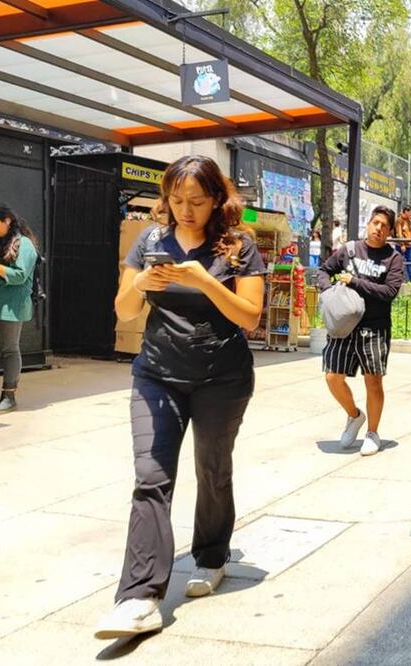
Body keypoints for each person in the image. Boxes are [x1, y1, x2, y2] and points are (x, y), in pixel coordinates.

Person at [95, 156, 267, 639]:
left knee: (212, 471)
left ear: (216, 199)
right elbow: (124, 311)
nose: (185, 210)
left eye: (196, 201)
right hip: (157, 376)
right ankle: (138, 598)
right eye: (176, 200)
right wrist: (142, 285)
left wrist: (204, 280)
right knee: (151, 477)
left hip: (222, 379)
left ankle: (211, 555)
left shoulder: (238, 247)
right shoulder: (151, 243)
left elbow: (250, 316)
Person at [318, 206, 404, 456]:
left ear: (389, 231)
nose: (379, 228)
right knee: (332, 376)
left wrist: (355, 282)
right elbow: (325, 269)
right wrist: (327, 291)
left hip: (374, 328)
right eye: (375, 222)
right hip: (344, 326)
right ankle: (354, 415)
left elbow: (389, 292)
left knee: (373, 382)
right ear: (368, 223)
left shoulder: (393, 258)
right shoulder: (350, 250)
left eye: (384, 225)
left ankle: (372, 433)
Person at [0, 203, 39, 415]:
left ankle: (8, 397)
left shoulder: (25, 245)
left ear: (8, 220)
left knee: (9, 350)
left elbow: (20, 276)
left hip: (10, 307)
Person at [395, 206, 411, 282]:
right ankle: (397, 279)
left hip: (408, 245)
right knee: (398, 262)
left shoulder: (409, 220)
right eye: (410, 212)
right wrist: (402, 244)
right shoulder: (399, 220)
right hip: (401, 245)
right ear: (406, 211)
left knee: (410, 262)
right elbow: (399, 233)